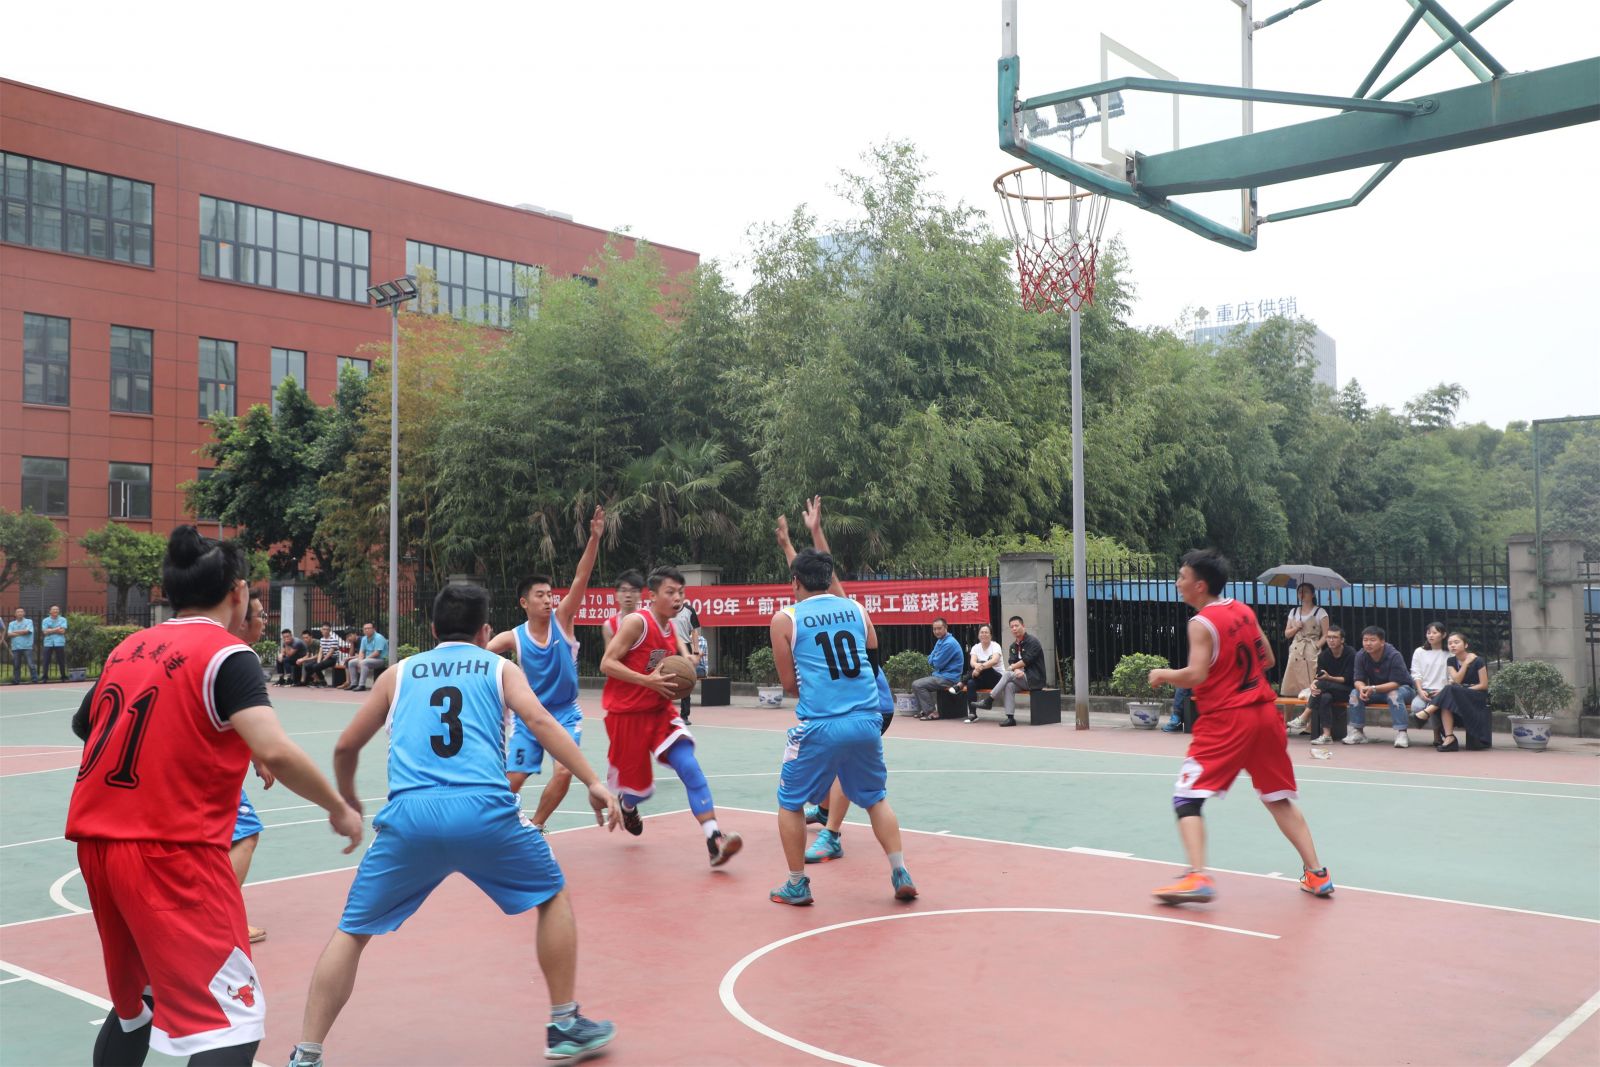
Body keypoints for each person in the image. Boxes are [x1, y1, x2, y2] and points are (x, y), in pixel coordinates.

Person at [286, 585, 621, 1067]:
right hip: (484, 812)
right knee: (551, 896)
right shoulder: (499, 668)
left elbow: (345, 747)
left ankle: (307, 1054)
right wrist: (592, 780)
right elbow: (542, 722)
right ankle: (564, 1024)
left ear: (433, 629)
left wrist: (348, 800)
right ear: (485, 632)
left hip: (410, 818)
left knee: (353, 930)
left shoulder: (398, 674)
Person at [66, 526, 362, 1066]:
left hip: (98, 845)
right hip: (170, 851)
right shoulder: (227, 654)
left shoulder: (128, 649)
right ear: (237, 592)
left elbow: (86, 723)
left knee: (142, 1000)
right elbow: (277, 751)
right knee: (232, 1020)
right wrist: (337, 806)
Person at [1147, 549, 1332, 904]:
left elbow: (1196, 674)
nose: (1177, 582)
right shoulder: (1242, 610)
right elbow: (1269, 659)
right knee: (1278, 798)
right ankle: (1317, 874)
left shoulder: (1201, 624)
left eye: (1182, 577)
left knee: (1186, 797)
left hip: (1228, 720)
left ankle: (1197, 876)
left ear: (1200, 585)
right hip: (1264, 714)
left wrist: (1163, 674)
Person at [768, 544, 916, 905]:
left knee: (790, 802)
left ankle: (797, 884)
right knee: (876, 799)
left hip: (821, 724)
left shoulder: (785, 620)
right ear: (828, 577)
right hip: (866, 720)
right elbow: (873, 657)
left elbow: (788, 685)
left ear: (795, 581)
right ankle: (900, 870)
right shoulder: (857, 609)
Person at [772, 498, 896, 865]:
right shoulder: (847, 610)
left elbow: (820, 577)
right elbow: (811, 576)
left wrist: (815, 531)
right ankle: (829, 814)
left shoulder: (834, 606)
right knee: (842, 755)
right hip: (860, 705)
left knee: (841, 758)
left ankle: (832, 833)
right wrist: (789, 545)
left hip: (870, 702)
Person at [599, 566, 742, 867]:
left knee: (689, 766)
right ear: (652, 596)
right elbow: (607, 664)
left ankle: (714, 839)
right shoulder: (637, 623)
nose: (678, 598)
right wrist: (646, 680)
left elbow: (680, 658)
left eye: (681, 592)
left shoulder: (672, 627)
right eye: (670, 592)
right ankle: (628, 805)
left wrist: (688, 661)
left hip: (659, 711)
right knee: (638, 790)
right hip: (627, 716)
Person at [486, 506, 605, 833]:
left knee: (564, 772)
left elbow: (581, 578)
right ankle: (494, 827)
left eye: (550, 594)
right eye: (540, 595)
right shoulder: (513, 637)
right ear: (524, 603)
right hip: (529, 715)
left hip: (565, 713)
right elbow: (480, 655)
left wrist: (594, 539)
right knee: (513, 779)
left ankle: (536, 826)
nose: (548, 600)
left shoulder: (562, 620)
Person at [229, 593, 273, 945]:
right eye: (260, 615)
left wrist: (256, 757)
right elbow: (249, 718)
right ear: (242, 621)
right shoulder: (238, 656)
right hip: (209, 775)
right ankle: (223, 919)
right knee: (245, 834)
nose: (264, 621)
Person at [1415, 631, 1492, 751]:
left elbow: (1484, 685)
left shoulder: (1478, 661)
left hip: (1476, 696)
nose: (1452, 645)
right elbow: (1457, 680)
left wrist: (1463, 689)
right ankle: (1449, 737)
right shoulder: (1451, 661)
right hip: (1459, 694)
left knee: (1450, 690)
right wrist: (1465, 664)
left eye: (1456, 642)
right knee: (1447, 699)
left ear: (1465, 645)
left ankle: (1426, 712)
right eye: (1450, 643)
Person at [1347, 625, 1417, 748]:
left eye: (1372, 640)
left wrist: (1373, 688)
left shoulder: (1394, 655)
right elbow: (1358, 680)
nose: (1368, 643)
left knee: (1393, 694)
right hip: (1376, 690)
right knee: (1354, 693)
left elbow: (1396, 683)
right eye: (1365, 640)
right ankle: (1358, 732)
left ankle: (1402, 733)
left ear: (1382, 642)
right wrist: (1362, 689)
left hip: (1404, 689)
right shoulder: (1361, 655)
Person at [977, 616, 1045, 727]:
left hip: (1034, 679)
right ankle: (1010, 718)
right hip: (1020, 678)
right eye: (1012, 627)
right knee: (1009, 685)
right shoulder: (1013, 646)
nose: (1014, 628)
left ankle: (989, 700)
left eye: (1016, 626)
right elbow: (1012, 661)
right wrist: (1016, 670)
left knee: (1008, 673)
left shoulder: (1033, 642)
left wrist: (1013, 668)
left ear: (1023, 626)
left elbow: (1027, 660)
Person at [1281, 584, 1328, 729]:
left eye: (1305, 592)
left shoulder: (1320, 612)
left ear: (1312, 594)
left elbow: (1326, 634)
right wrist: (1296, 627)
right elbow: (1287, 634)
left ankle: (1310, 725)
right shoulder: (1294, 612)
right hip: (1296, 650)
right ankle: (1286, 721)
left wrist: (1316, 646)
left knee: (1311, 686)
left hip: (1311, 651)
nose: (1302, 594)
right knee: (1289, 687)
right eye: (1299, 592)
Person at [1307, 624, 1356, 745]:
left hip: (1349, 691)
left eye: (1334, 637)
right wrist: (1313, 684)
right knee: (1325, 697)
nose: (1331, 640)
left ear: (1342, 640)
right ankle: (1327, 735)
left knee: (1324, 684)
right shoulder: (1323, 655)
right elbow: (1319, 676)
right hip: (1329, 690)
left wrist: (1329, 678)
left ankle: (1305, 715)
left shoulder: (1351, 653)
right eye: (1328, 637)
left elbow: (1347, 679)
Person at [911, 618, 963, 720]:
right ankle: (924, 710)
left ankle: (932, 712)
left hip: (949, 678)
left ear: (946, 628)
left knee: (918, 684)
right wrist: (933, 658)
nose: (936, 631)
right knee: (917, 684)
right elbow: (930, 659)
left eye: (939, 628)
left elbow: (937, 664)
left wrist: (933, 658)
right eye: (934, 629)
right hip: (941, 676)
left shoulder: (949, 643)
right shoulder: (941, 640)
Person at [962, 624, 1004, 723]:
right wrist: (978, 668)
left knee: (987, 668)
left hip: (997, 679)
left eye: (986, 632)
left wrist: (980, 667)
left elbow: (994, 661)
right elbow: (972, 663)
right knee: (971, 683)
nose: (984, 634)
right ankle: (972, 714)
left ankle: (961, 682)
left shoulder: (995, 646)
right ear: (978, 635)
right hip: (982, 678)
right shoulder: (975, 647)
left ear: (991, 635)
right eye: (981, 632)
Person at [1409, 622, 1449, 721]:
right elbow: (1416, 673)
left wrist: (1443, 690)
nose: (1431, 635)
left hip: (1442, 691)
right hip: (1425, 690)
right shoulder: (1419, 651)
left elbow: (1453, 677)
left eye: (1434, 633)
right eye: (1428, 633)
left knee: (1437, 708)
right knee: (1416, 707)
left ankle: (1437, 730)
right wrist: (1420, 691)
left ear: (1443, 635)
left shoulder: (1450, 653)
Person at [672, 599, 702, 725]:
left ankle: (684, 715)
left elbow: (694, 631)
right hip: (669, 646)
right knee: (666, 679)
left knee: (686, 681)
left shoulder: (689, 611)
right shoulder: (666, 610)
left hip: (685, 647)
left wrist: (696, 651)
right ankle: (665, 714)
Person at [602, 570, 646, 642]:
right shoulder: (609, 625)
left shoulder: (648, 621)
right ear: (616, 595)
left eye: (633, 591)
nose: (628, 595)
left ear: (640, 595)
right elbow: (609, 649)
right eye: (623, 590)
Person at [350, 622, 388, 690]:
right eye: (365, 629)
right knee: (351, 662)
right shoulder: (364, 639)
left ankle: (362, 685)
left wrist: (363, 660)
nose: (366, 630)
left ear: (373, 629)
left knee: (364, 662)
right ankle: (353, 684)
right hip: (368, 659)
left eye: (368, 628)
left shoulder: (379, 637)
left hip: (380, 660)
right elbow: (361, 652)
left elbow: (377, 653)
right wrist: (359, 661)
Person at [303, 624, 342, 688]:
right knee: (307, 666)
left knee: (316, 666)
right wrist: (318, 661)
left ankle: (323, 682)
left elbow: (330, 652)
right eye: (324, 629)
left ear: (330, 630)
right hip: (324, 658)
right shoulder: (322, 639)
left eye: (327, 629)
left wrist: (322, 661)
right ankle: (317, 680)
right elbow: (320, 651)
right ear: (321, 630)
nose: (325, 631)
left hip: (332, 659)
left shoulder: (334, 640)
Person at [7, 607, 37, 684]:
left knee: (31, 664)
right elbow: (9, 634)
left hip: (27, 646)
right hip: (15, 647)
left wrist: (15, 632)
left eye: (21, 611)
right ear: (15, 614)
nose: (20, 613)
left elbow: (27, 631)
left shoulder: (29, 621)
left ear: (24, 613)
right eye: (18, 612)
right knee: (16, 665)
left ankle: (34, 679)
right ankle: (16, 680)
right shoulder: (11, 623)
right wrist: (22, 632)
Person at [41, 605, 69, 681]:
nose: (55, 611)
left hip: (59, 642)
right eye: (54, 609)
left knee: (61, 660)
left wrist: (50, 630)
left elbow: (62, 631)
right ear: (50, 611)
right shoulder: (45, 620)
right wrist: (57, 629)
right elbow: (45, 632)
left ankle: (63, 676)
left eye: (57, 609)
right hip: (48, 642)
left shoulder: (63, 619)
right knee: (46, 661)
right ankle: (45, 677)